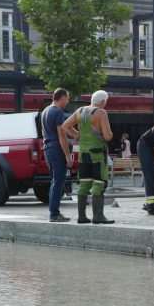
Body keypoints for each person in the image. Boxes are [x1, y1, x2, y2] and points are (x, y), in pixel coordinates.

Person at [62, 90, 114, 224]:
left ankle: (82, 217)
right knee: (99, 183)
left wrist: (77, 135)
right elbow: (107, 136)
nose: (106, 104)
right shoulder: (101, 112)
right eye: (106, 102)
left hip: (83, 154)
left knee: (84, 184)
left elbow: (65, 126)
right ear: (102, 102)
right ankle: (98, 217)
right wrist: (108, 135)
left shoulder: (80, 111)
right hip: (97, 154)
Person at [41, 88, 72, 222]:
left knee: (55, 181)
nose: (68, 101)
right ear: (63, 97)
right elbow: (62, 134)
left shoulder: (45, 111)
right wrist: (68, 155)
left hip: (47, 147)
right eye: (67, 98)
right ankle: (54, 214)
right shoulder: (58, 112)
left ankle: (53, 211)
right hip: (56, 148)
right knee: (59, 182)